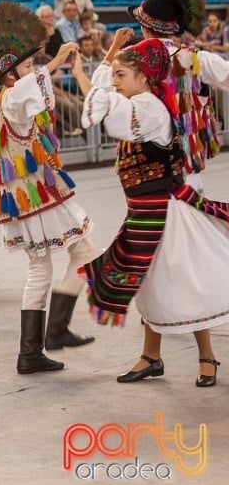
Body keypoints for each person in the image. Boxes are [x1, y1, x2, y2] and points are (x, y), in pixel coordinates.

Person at [0, 2, 95, 373]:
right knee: (69, 257)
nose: (33, 70)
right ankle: (40, 343)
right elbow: (36, 84)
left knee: (50, 263)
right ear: (10, 72)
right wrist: (59, 57)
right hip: (37, 195)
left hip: (29, 194)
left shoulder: (3, 98)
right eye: (27, 65)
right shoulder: (12, 96)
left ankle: (43, 341)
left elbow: (34, 87)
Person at [78, 37, 229, 387]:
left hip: (167, 212)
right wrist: (110, 56)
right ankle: (151, 356)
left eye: (121, 75)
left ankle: (206, 356)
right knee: (147, 283)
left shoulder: (146, 107)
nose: (114, 81)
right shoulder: (138, 100)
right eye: (114, 74)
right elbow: (108, 98)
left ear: (144, 78)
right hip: (144, 210)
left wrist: (83, 74)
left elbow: (104, 111)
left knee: (183, 282)